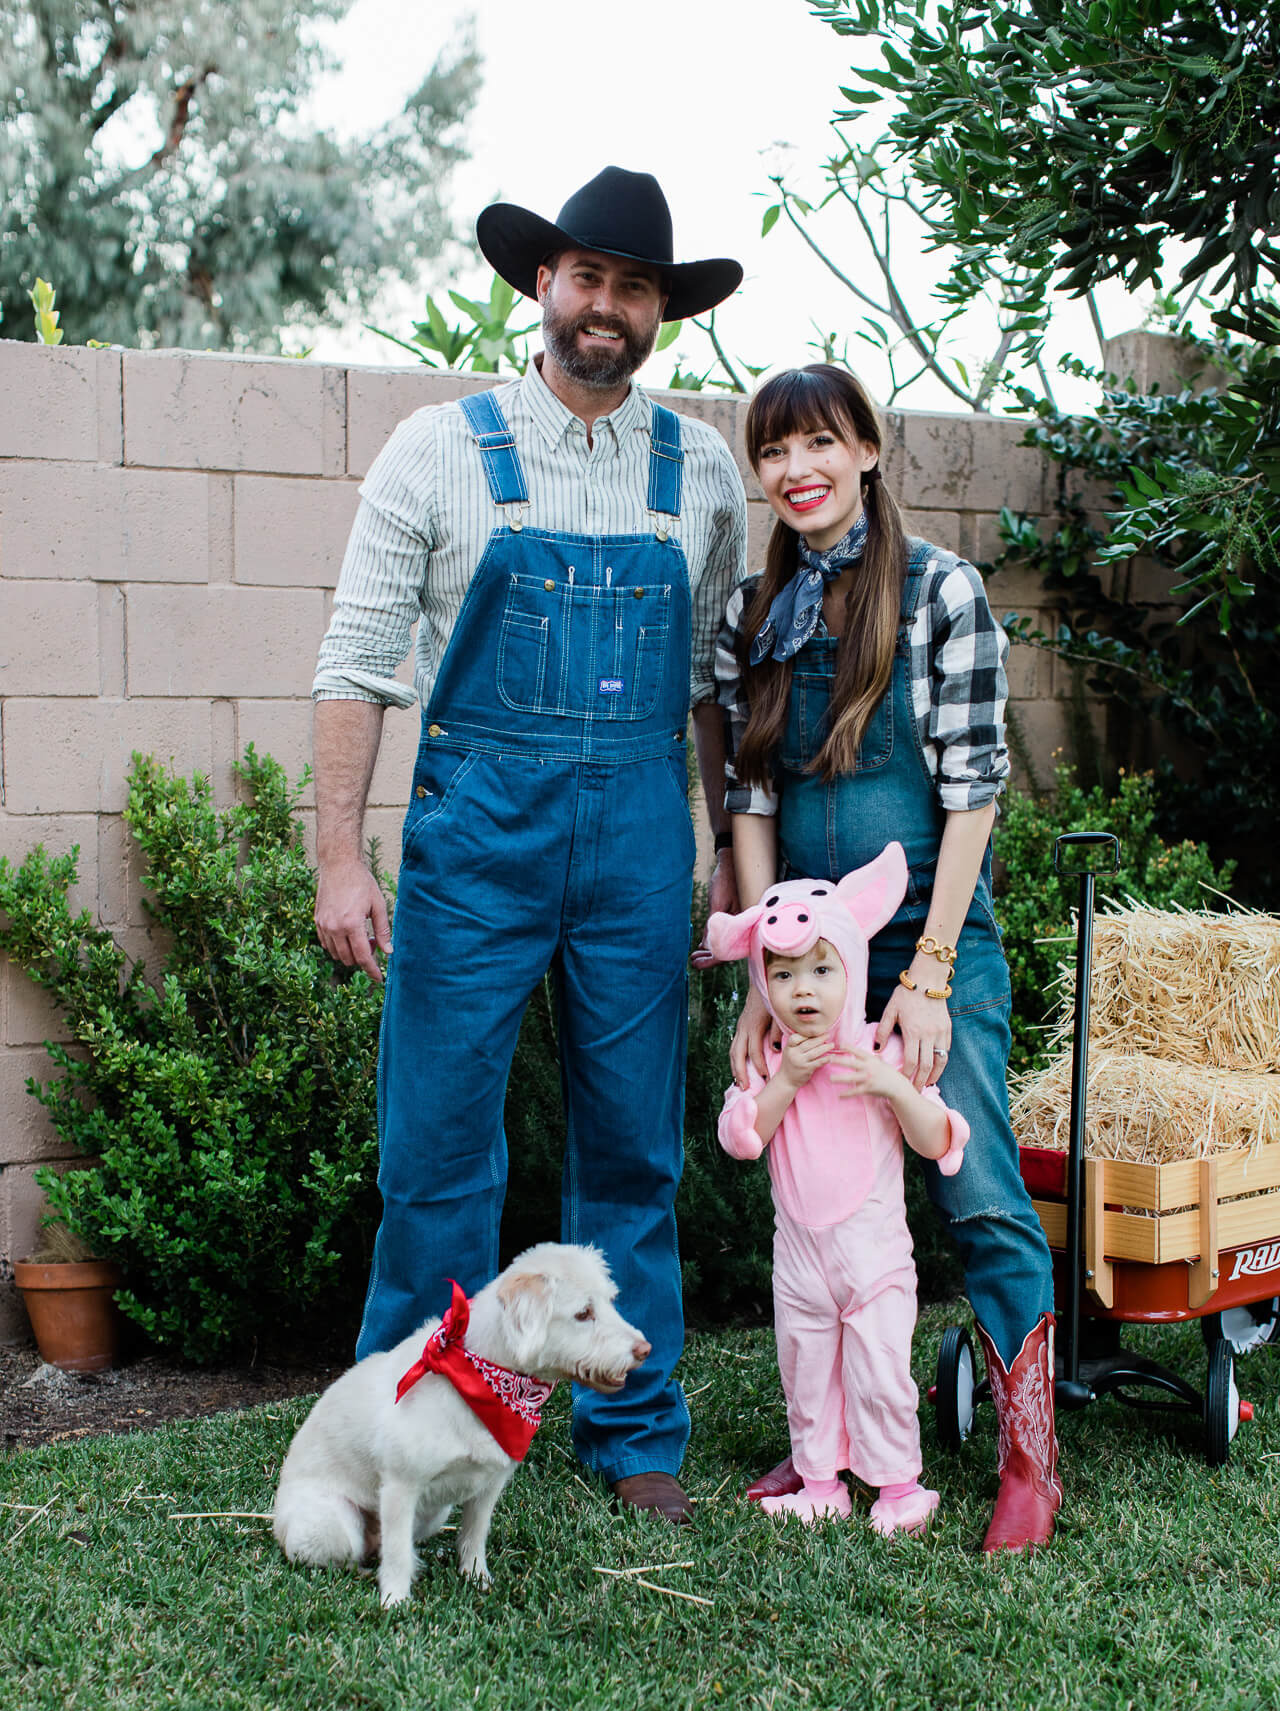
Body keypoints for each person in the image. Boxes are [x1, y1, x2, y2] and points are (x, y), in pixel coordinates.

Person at [311, 167, 748, 1527]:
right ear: (539, 287)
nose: (605, 305)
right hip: (475, 845)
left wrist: (723, 851)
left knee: (629, 1152)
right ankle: (414, 1430)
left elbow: (710, 687)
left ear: (661, 312)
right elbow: (357, 662)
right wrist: (338, 857)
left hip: (633, 841)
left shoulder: (705, 468)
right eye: (585, 277)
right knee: (440, 1150)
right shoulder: (438, 452)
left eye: (634, 286)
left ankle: (636, 1432)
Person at [716, 364, 1062, 1554]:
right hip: (805, 962)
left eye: (818, 443)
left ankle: (1030, 1456)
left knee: (972, 1193)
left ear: (865, 448)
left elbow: (972, 797)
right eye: (772, 453)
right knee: (818, 1211)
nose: (795, 471)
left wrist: (924, 975)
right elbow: (746, 796)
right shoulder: (751, 612)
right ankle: (836, 1439)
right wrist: (767, 981)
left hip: (927, 950)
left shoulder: (937, 590)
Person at [707, 848, 970, 1532]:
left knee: (880, 1372)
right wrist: (785, 1082)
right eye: (785, 974)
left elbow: (940, 1137)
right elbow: (741, 1137)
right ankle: (821, 1483)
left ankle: (898, 1488)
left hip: (874, 1261)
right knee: (807, 1369)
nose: (804, 990)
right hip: (801, 1265)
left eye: (823, 971)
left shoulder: (878, 1050)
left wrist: (892, 1086)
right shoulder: (773, 1060)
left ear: (851, 971)